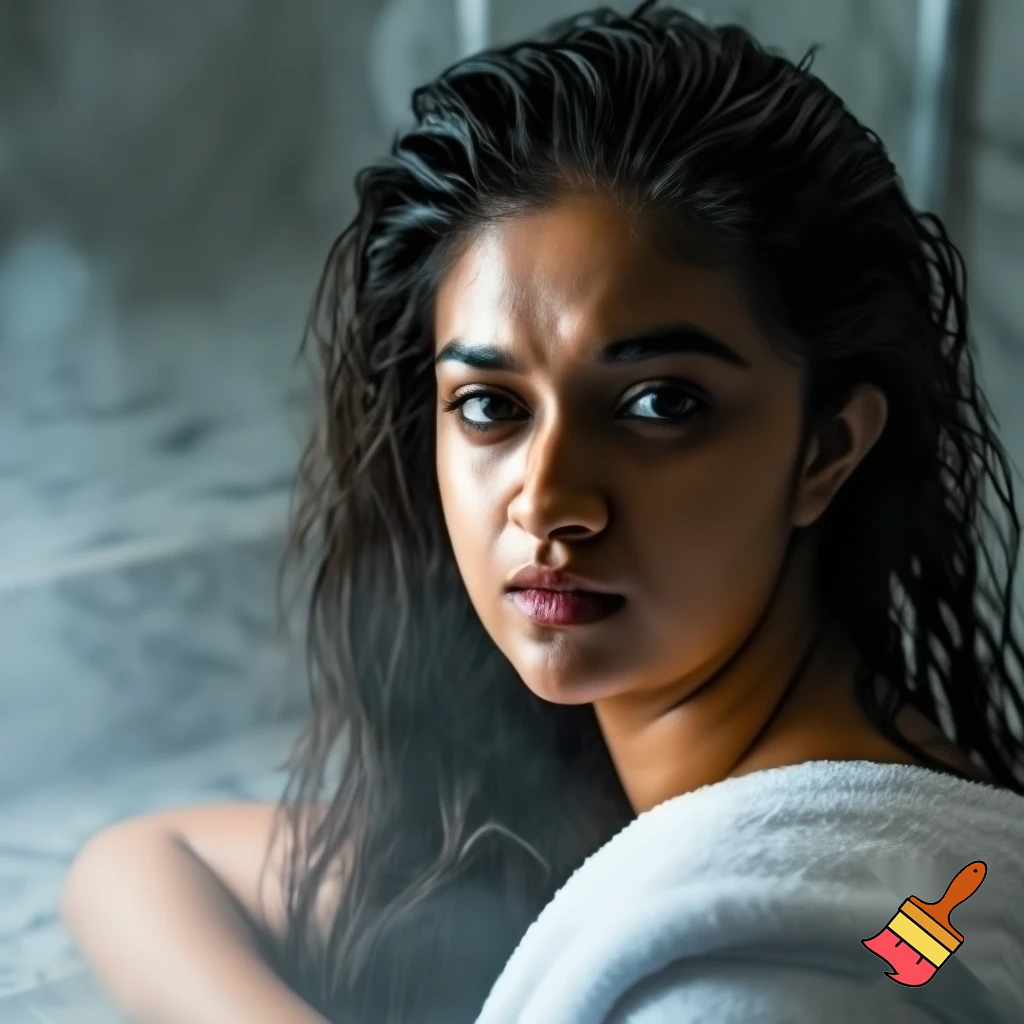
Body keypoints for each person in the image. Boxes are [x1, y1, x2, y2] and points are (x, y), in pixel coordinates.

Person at [61, 3, 1024, 1022]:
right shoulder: (668, 816)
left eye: (660, 404)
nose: (549, 500)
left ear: (824, 449)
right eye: (490, 406)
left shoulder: (756, 982)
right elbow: (135, 865)